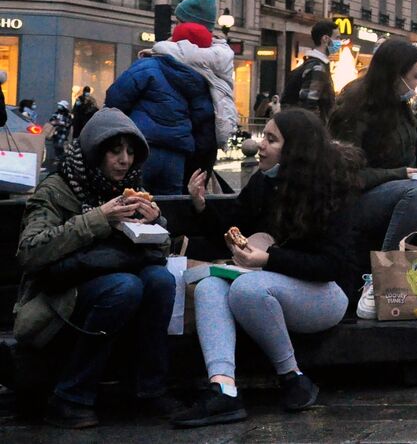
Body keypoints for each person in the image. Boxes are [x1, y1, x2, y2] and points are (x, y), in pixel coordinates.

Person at [171, 109, 363, 428]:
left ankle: (293, 378)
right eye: (264, 136)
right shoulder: (264, 181)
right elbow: (235, 229)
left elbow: (331, 265)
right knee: (210, 286)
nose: (260, 145)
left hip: (326, 295)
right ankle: (223, 389)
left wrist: (269, 259)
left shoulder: (330, 190)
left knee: (248, 288)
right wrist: (201, 205)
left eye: (271, 139)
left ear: (296, 150)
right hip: (271, 287)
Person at [14, 108, 176, 428]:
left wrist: (155, 223)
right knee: (125, 286)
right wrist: (100, 217)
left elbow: (159, 252)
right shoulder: (58, 189)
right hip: (60, 295)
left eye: (130, 152)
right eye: (115, 151)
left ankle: (148, 390)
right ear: (95, 152)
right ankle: (70, 397)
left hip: (113, 289)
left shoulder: (129, 188)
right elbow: (30, 252)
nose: (124, 161)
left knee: (160, 280)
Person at [327, 37, 417, 314]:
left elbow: (400, 145)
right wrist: (399, 174)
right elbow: (345, 173)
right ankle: (380, 279)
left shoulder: (399, 103)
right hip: (358, 196)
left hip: (397, 186)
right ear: (396, 74)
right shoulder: (354, 105)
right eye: (415, 75)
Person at [104, 22, 217, 195]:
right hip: (177, 155)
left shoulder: (149, 66)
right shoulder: (200, 80)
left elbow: (115, 98)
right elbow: (202, 120)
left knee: (134, 202)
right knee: (169, 209)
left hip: (143, 148)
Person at [150, 22, 238, 178]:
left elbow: (119, 97)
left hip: (157, 147)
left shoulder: (153, 65)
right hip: (199, 150)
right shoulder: (212, 76)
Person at [281, 20, 340, 121]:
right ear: (325, 39)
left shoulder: (310, 65)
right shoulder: (318, 67)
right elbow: (309, 105)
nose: (339, 42)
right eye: (337, 38)